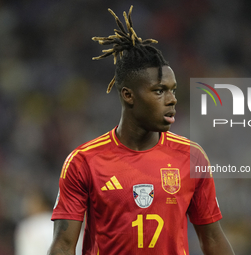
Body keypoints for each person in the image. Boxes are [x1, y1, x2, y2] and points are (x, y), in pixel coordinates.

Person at [48, 6, 235, 255]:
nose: (171, 99)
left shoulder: (192, 157)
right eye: (159, 91)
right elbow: (62, 246)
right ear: (128, 96)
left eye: (172, 90)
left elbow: (212, 239)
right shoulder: (84, 162)